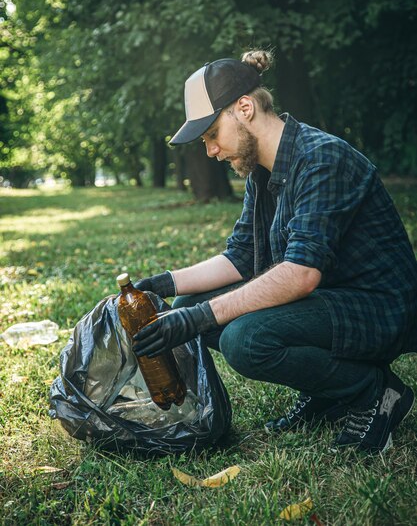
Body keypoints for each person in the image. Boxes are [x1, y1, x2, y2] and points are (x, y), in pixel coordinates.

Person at [132, 49, 417, 453]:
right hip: (328, 301)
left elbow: (301, 273)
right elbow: (241, 257)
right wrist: (163, 283)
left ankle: (376, 392)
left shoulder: (321, 158)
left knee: (245, 340)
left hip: (378, 309)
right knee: (189, 303)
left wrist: (197, 318)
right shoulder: (262, 171)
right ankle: (328, 393)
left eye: (212, 134)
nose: (210, 151)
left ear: (244, 108)